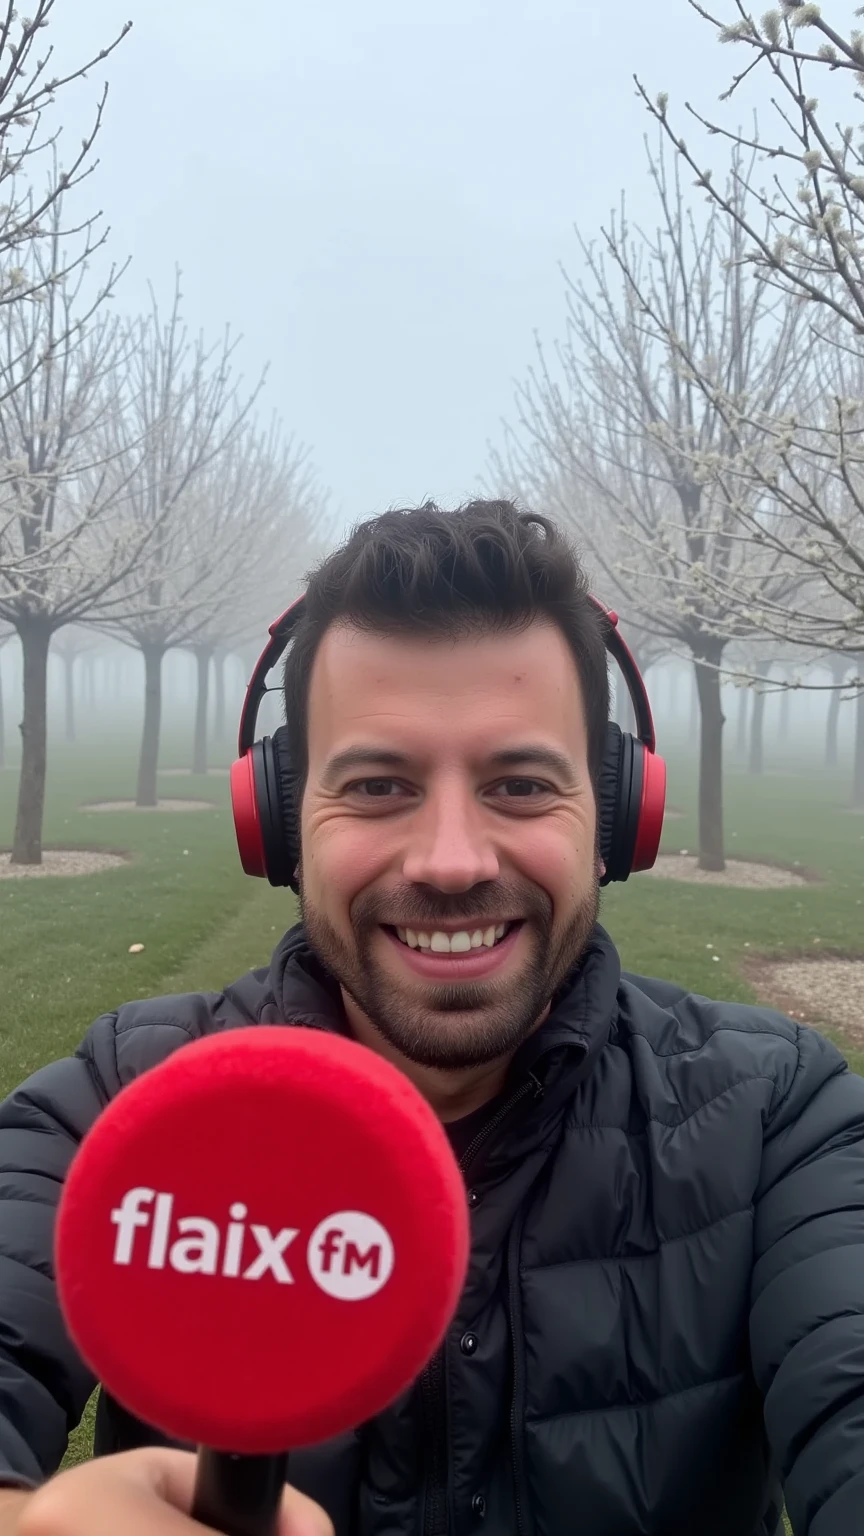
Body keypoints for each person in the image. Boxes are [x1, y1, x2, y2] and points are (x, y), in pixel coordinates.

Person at [0, 501, 861, 1536]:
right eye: (376, 785)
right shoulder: (121, 1106)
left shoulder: (777, 1121)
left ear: (618, 814)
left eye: (519, 784)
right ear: (278, 823)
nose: (451, 860)